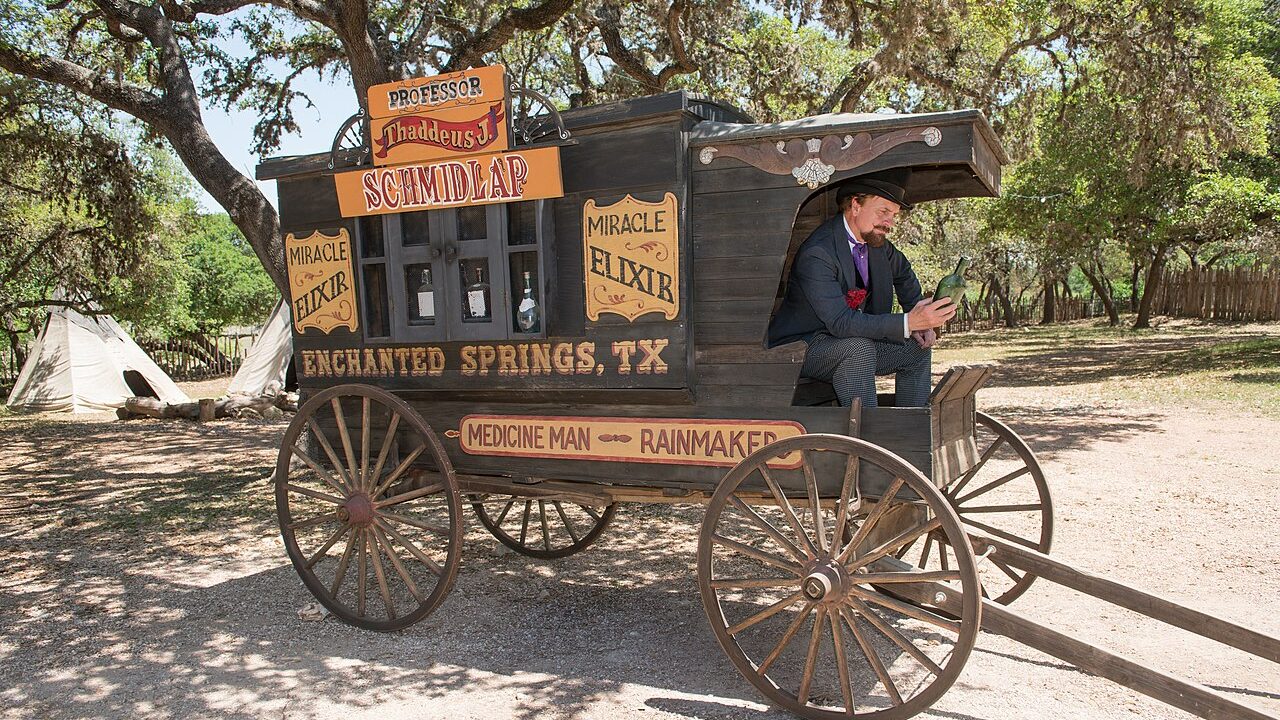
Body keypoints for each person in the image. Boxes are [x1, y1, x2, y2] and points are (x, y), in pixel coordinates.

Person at [767, 168, 956, 407]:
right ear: (856, 206)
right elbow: (841, 322)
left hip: (848, 341)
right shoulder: (818, 253)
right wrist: (909, 322)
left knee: (915, 349)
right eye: (883, 211)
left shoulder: (877, 245)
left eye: (894, 215)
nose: (890, 222)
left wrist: (920, 320)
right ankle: (867, 436)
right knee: (857, 349)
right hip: (803, 348)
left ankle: (912, 429)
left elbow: (904, 274)